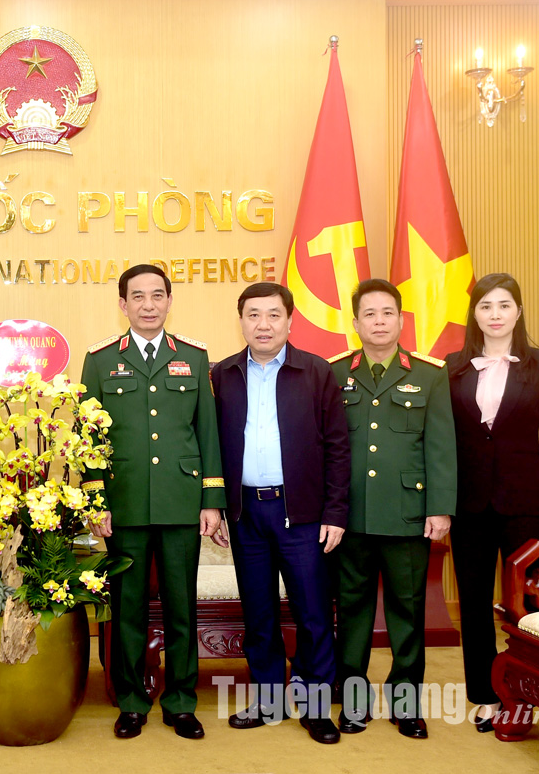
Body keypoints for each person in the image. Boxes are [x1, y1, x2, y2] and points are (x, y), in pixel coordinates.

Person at [81, 263, 225, 741]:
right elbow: (89, 440)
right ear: (122, 304)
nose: (148, 305)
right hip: (123, 504)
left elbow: (207, 431)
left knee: (183, 605)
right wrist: (96, 500)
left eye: (157, 296)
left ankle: (181, 701)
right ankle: (131, 701)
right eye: (137, 297)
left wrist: (211, 500)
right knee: (127, 608)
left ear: (168, 301)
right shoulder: (100, 361)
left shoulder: (194, 357)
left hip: (181, 502)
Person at [210, 282, 350, 745]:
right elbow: (208, 447)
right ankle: (268, 701)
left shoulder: (316, 372)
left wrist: (335, 512)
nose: (263, 324)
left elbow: (338, 447)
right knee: (260, 615)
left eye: (273, 315)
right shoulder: (223, 374)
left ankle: (314, 705)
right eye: (253, 315)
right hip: (247, 513)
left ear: (290, 320)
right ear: (241, 321)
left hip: (304, 515)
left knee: (312, 614)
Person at [329, 279, 456, 740]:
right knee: (354, 611)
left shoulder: (429, 373)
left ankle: (407, 704)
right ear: (356, 321)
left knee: (408, 610)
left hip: (408, 513)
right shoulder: (336, 371)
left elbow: (441, 446)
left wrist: (440, 509)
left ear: (400, 320)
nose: (379, 321)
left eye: (387, 313)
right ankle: (355, 701)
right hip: (352, 517)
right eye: (370, 314)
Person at [445, 272, 539, 732]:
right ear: (474, 314)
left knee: (527, 605)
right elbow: (444, 441)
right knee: (474, 604)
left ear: (518, 310)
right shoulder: (452, 366)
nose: (494, 315)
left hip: (525, 504)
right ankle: (486, 696)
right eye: (485, 307)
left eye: (503, 305)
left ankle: (528, 691)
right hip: (469, 505)